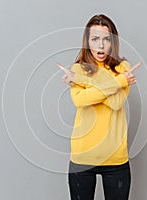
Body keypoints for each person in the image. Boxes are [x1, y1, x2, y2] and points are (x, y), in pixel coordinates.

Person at [58, 14, 142, 200]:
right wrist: (117, 83)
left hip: (115, 158)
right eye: (95, 39)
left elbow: (116, 102)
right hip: (82, 157)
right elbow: (80, 101)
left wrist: (82, 82)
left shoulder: (122, 68)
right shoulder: (78, 68)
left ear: (113, 42)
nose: (101, 45)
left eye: (106, 39)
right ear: (87, 42)